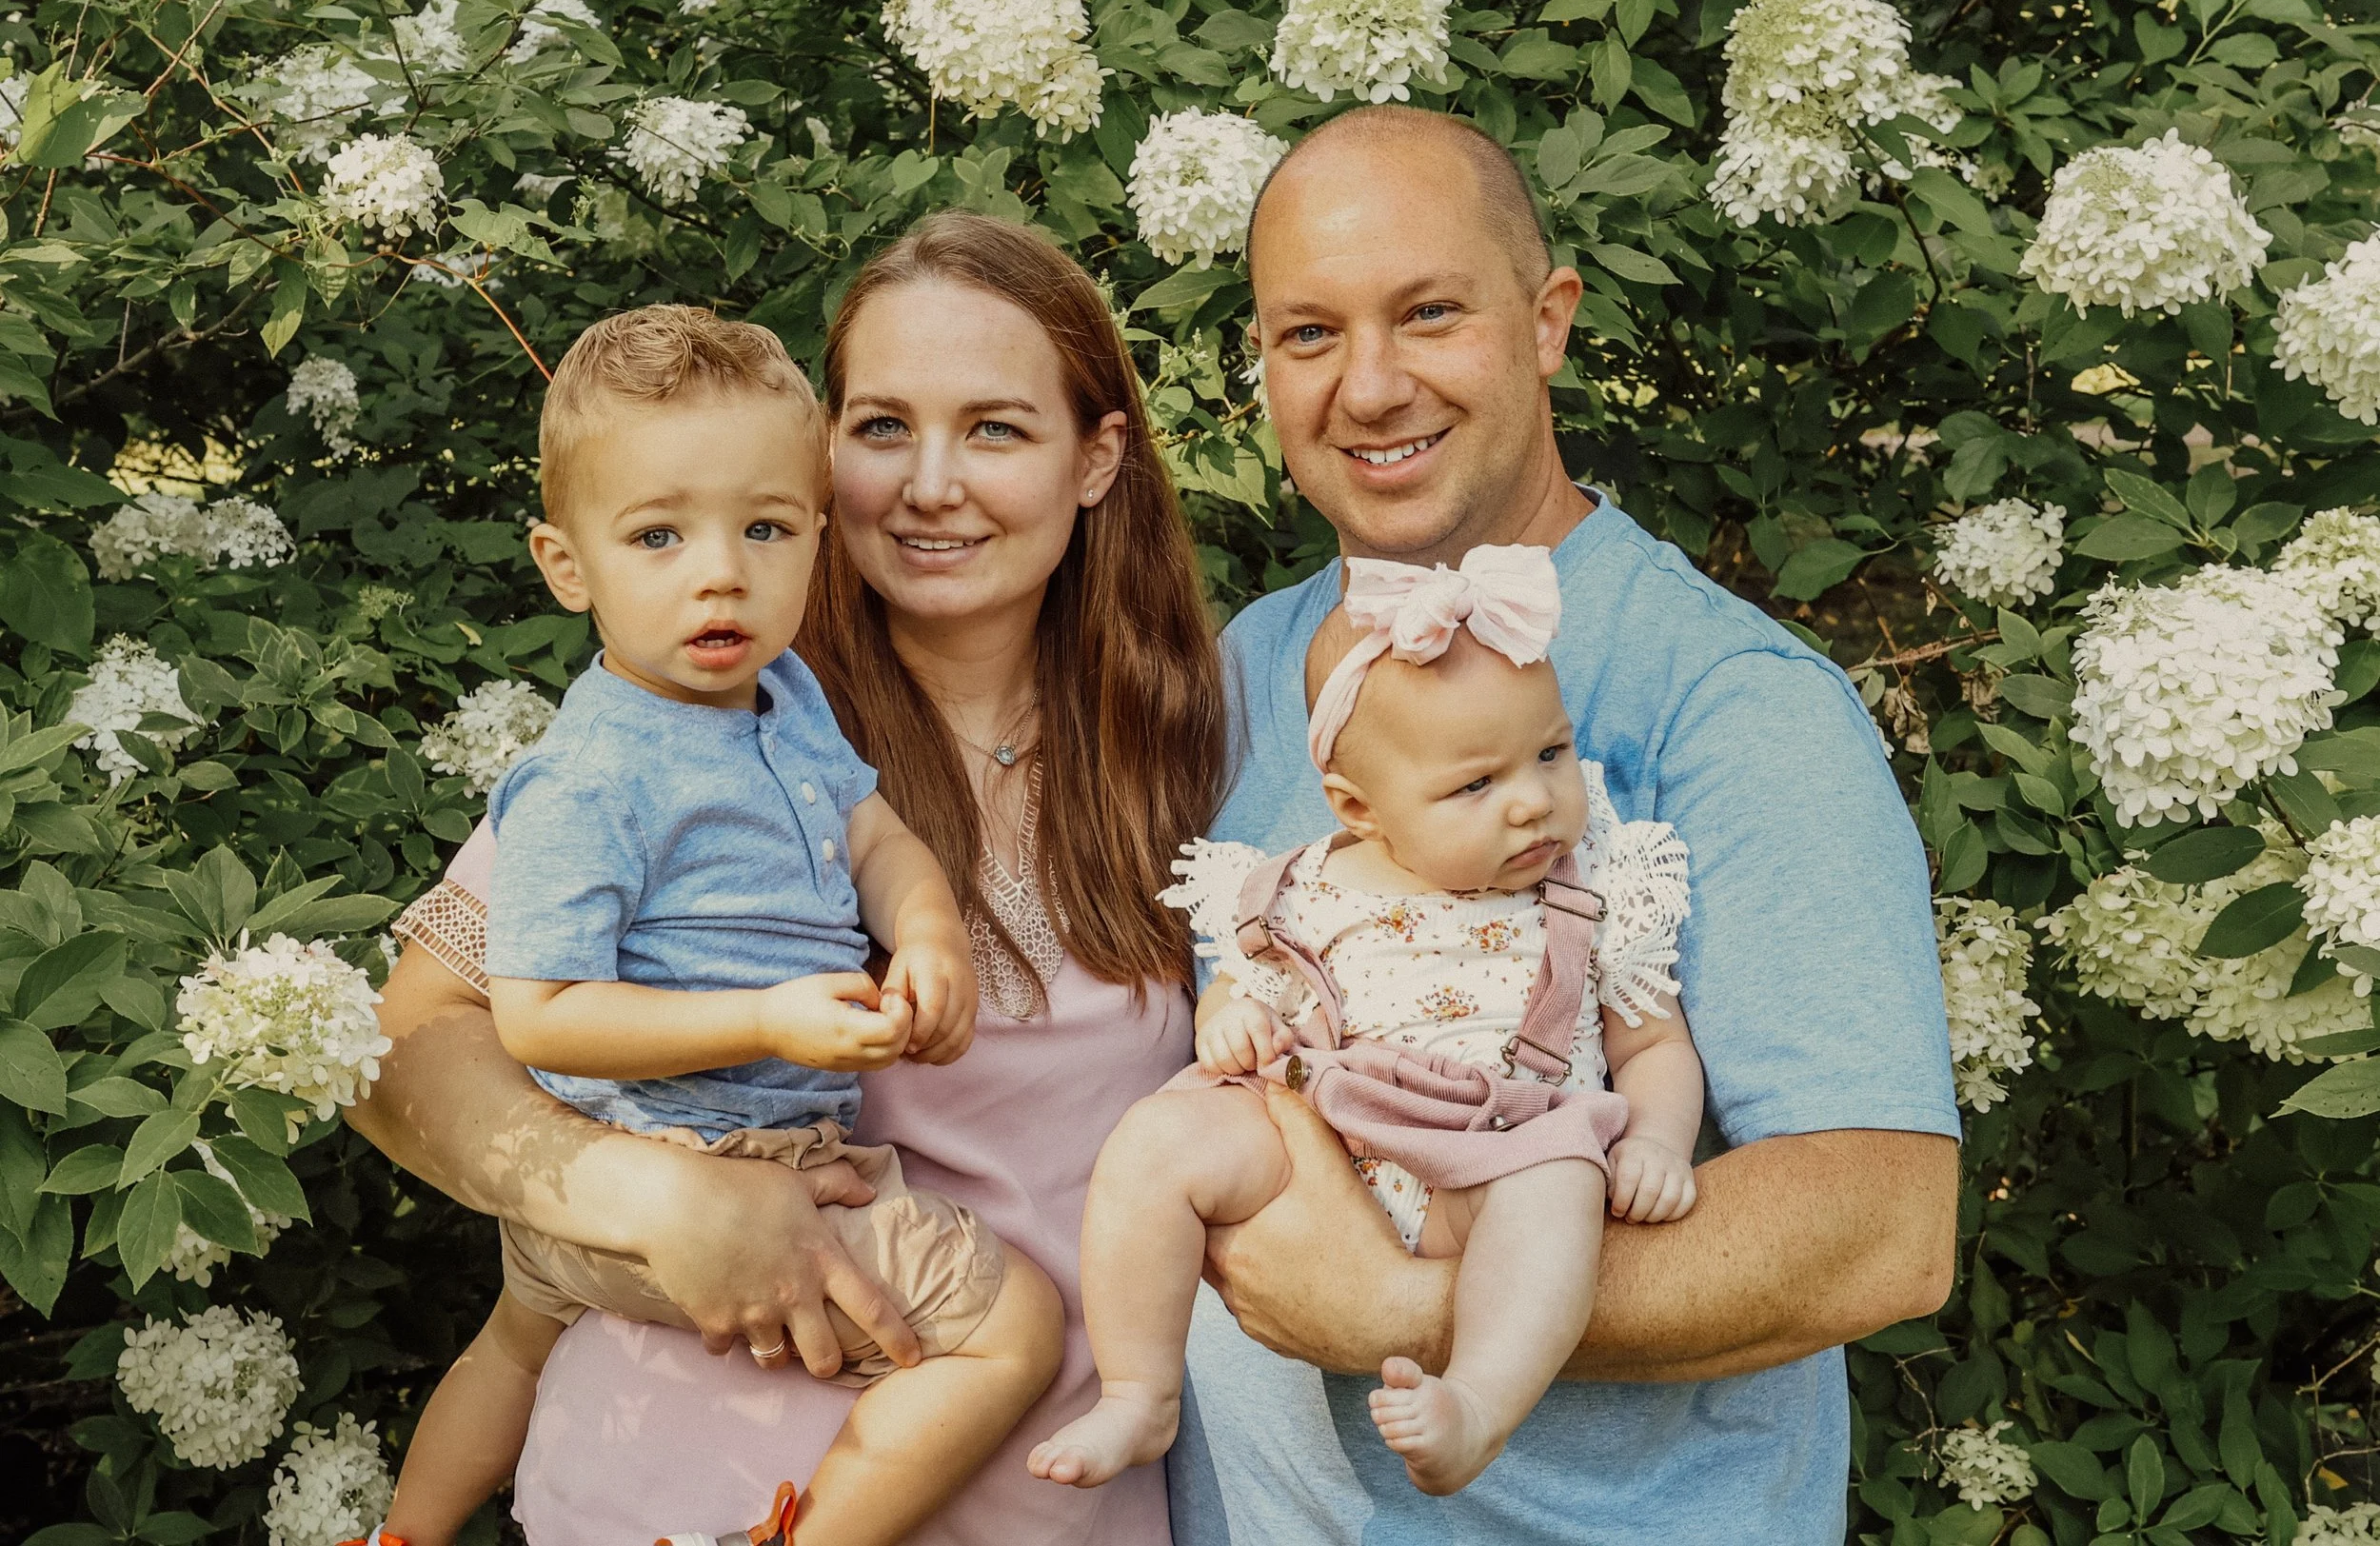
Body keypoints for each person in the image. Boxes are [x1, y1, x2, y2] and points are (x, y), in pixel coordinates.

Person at [347, 212, 1223, 1545]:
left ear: (1096, 456)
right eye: (880, 428)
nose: (931, 483)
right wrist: (659, 1197)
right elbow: (403, 1050)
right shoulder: (703, 719)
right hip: (685, 1483)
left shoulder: (1192, 744)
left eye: (994, 427)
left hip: (1059, 1504)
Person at [1162, 106, 1960, 1545]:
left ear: (1548, 323)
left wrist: (1407, 1307)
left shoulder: (1728, 700)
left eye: (1430, 313)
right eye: (1308, 334)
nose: (1371, 383)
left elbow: (1883, 1225)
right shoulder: (1233, 675)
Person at [1031, 543, 1704, 1498]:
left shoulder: (1593, 877)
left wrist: (1661, 1142)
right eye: (1475, 785)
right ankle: (1138, 1387)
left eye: (1549, 753)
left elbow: (1652, 1041)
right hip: (1327, 1148)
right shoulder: (1303, 885)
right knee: (1156, 1136)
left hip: (1492, 1155)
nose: (1530, 802)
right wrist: (1230, 1020)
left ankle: (1477, 1401)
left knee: (1559, 1186)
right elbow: (1249, 990)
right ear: (1359, 805)